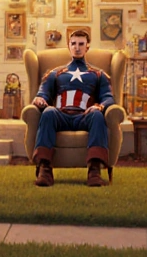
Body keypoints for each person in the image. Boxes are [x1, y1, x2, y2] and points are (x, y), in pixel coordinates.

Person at [30, 29, 115, 187]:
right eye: (73, 43)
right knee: (48, 112)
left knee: (98, 116)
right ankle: (45, 169)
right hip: (61, 116)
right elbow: (43, 92)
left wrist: (100, 106)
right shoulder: (55, 73)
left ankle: (94, 171)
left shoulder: (98, 74)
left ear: (87, 46)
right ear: (68, 46)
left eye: (81, 44)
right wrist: (40, 98)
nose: (77, 47)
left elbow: (109, 98)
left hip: (84, 116)